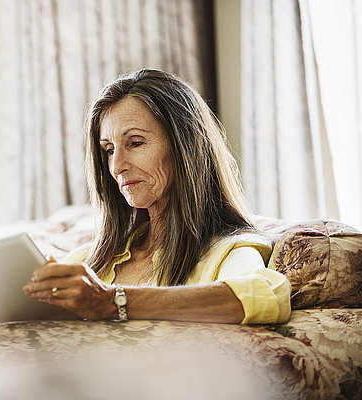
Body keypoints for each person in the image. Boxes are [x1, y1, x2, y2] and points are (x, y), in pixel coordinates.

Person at [23, 69, 291, 324]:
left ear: (185, 147)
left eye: (136, 143)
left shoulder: (226, 252)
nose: (117, 167)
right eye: (109, 150)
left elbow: (265, 295)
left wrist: (112, 301)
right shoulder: (88, 261)